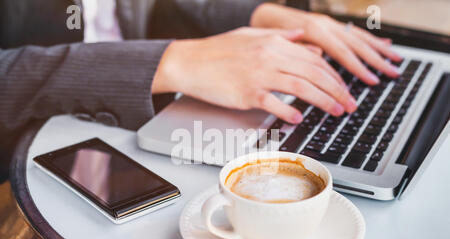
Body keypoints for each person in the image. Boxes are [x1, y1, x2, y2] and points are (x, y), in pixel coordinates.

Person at [0, 0, 402, 183]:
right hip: (29, 156)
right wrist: (171, 62)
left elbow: (149, 8)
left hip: (148, 113)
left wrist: (266, 16)